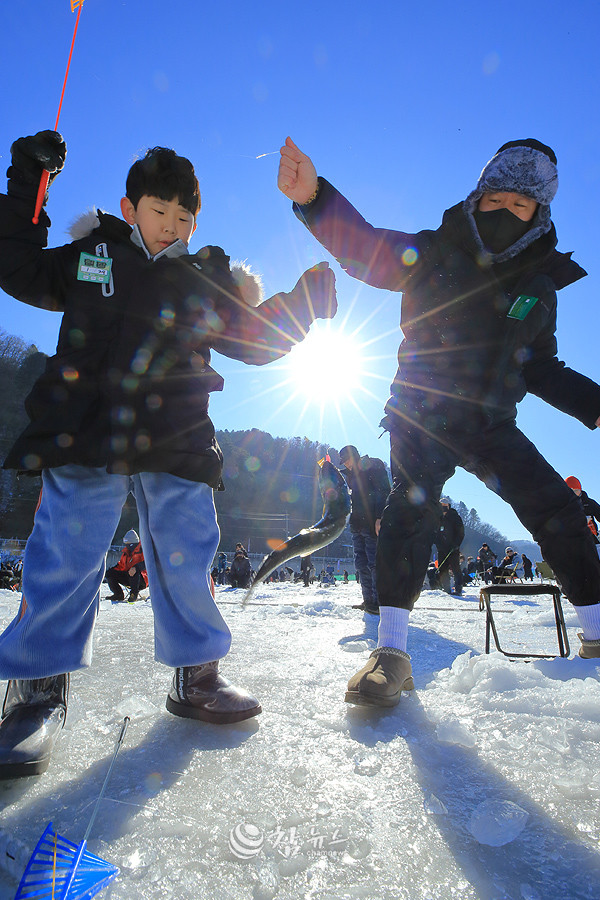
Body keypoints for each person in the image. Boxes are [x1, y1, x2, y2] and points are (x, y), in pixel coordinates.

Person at [0, 131, 338, 778]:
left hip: (176, 433)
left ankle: (196, 675)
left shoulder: (202, 275)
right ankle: (35, 696)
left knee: (187, 550)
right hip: (84, 426)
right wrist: (28, 183)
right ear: (130, 208)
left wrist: (304, 303)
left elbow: (253, 339)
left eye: (185, 217)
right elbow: (15, 268)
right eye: (160, 212)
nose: (172, 226)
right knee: (64, 554)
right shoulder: (91, 253)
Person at [278, 134, 600, 706]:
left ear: (538, 213)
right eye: (494, 200)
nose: (502, 213)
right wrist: (314, 200)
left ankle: (598, 632)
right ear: (478, 197)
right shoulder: (437, 251)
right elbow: (369, 250)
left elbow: (543, 366)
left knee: (555, 506)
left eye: (518, 206)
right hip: (422, 410)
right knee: (412, 503)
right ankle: (391, 652)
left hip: (490, 420)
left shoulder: (540, 285)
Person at [338, 445, 391, 615]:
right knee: (360, 564)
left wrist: (379, 517)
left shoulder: (373, 465)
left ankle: (378, 602)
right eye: (344, 462)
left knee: (374, 563)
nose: (346, 464)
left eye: (347, 460)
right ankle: (368, 600)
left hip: (371, 523)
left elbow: (384, 492)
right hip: (357, 524)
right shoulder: (350, 476)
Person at [105, 528, 148, 602]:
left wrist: (136, 567)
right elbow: (121, 566)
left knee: (134, 571)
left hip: (142, 579)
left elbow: (147, 563)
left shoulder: (142, 550)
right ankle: (118, 594)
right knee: (110, 573)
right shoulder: (126, 553)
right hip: (129, 577)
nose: (127, 546)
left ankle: (133, 595)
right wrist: (112, 570)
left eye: (128, 544)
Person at [434, 499, 464, 595]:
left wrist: (456, 544)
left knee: (456, 568)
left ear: (448, 505)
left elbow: (460, 533)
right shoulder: (438, 517)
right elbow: (435, 532)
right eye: (441, 505)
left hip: (452, 548)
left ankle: (458, 589)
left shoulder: (455, 517)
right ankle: (446, 589)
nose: (443, 506)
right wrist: (437, 543)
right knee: (442, 568)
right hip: (442, 548)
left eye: (445, 505)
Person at [565, 476, 600, 548]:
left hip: (591, 539)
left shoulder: (589, 503)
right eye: (571, 491)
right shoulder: (563, 505)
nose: (574, 493)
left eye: (576, 490)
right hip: (572, 541)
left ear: (580, 490)